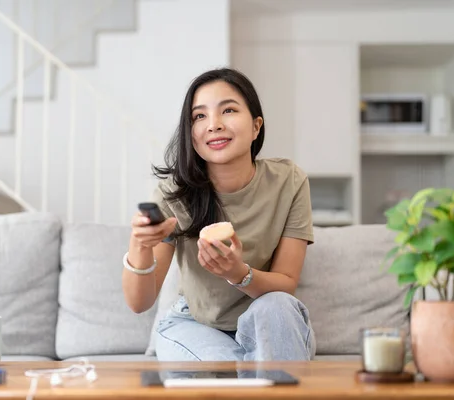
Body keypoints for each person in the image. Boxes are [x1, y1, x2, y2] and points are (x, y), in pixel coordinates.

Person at [121, 68, 316, 362]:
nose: (213, 125)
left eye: (228, 110)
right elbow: (140, 303)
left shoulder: (289, 182)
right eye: (199, 116)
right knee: (228, 370)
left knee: (277, 305)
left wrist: (238, 274)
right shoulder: (174, 195)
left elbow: (286, 282)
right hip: (195, 324)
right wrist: (140, 246)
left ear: (256, 126)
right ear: (192, 134)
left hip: (267, 318)